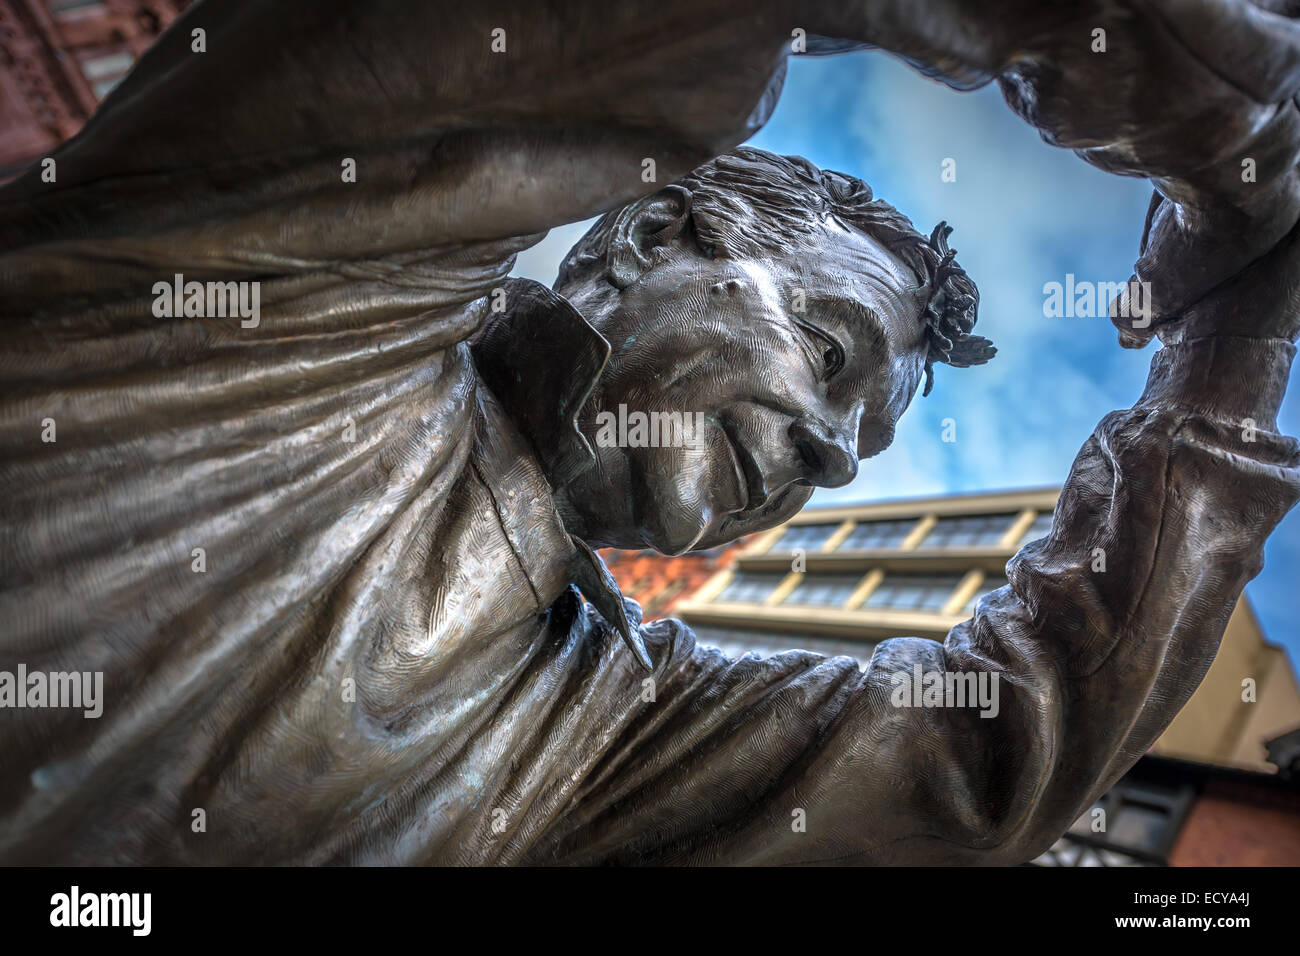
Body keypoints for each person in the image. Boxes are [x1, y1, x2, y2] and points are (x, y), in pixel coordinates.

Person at [0, 0, 1296, 864]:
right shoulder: (305, 298)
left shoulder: (607, 729)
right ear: (647, 235)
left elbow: (989, 754)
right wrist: (1192, 91)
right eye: (831, 353)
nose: (837, 455)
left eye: (864, 439)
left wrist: (1238, 328)